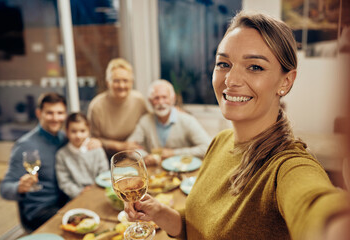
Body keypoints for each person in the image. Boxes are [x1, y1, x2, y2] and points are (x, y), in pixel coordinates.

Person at [124, 11, 350, 240]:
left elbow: (315, 205)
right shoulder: (220, 141)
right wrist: (162, 214)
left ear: (285, 81)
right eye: (223, 63)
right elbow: (199, 224)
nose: (230, 80)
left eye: (254, 67)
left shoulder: (287, 166)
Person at [0, 92, 101, 232]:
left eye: (60, 113)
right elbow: (4, 188)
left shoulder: (65, 137)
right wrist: (19, 187)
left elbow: (81, 142)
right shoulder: (24, 145)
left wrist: (93, 142)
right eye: (50, 113)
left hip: (67, 201)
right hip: (40, 210)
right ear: (39, 113)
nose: (55, 118)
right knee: (83, 227)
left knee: (98, 218)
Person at [127, 79, 211, 165]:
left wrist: (174, 153)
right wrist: (146, 156)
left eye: (164, 97)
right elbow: (130, 148)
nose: (161, 102)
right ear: (150, 101)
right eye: (156, 98)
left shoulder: (187, 120)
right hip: (155, 172)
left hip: (184, 170)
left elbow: (208, 148)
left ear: (173, 99)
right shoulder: (145, 121)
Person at [87, 58, 148, 158]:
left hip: (134, 155)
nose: (121, 85)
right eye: (116, 81)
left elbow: (149, 123)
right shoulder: (97, 106)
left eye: (125, 81)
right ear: (108, 83)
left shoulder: (139, 100)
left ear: (132, 82)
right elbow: (93, 140)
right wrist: (120, 146)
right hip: (106, 157)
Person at [56, 113, 109, 199]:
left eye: (82, 131)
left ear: (88, 130)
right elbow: (64, 182)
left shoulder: (96, 149)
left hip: (99, 190)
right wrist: (80, 191)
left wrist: (96, 188)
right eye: (73, 131)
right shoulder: (62, 155)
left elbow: (104, 172)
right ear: (66, 131)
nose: (78, 135)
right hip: (77, 196)